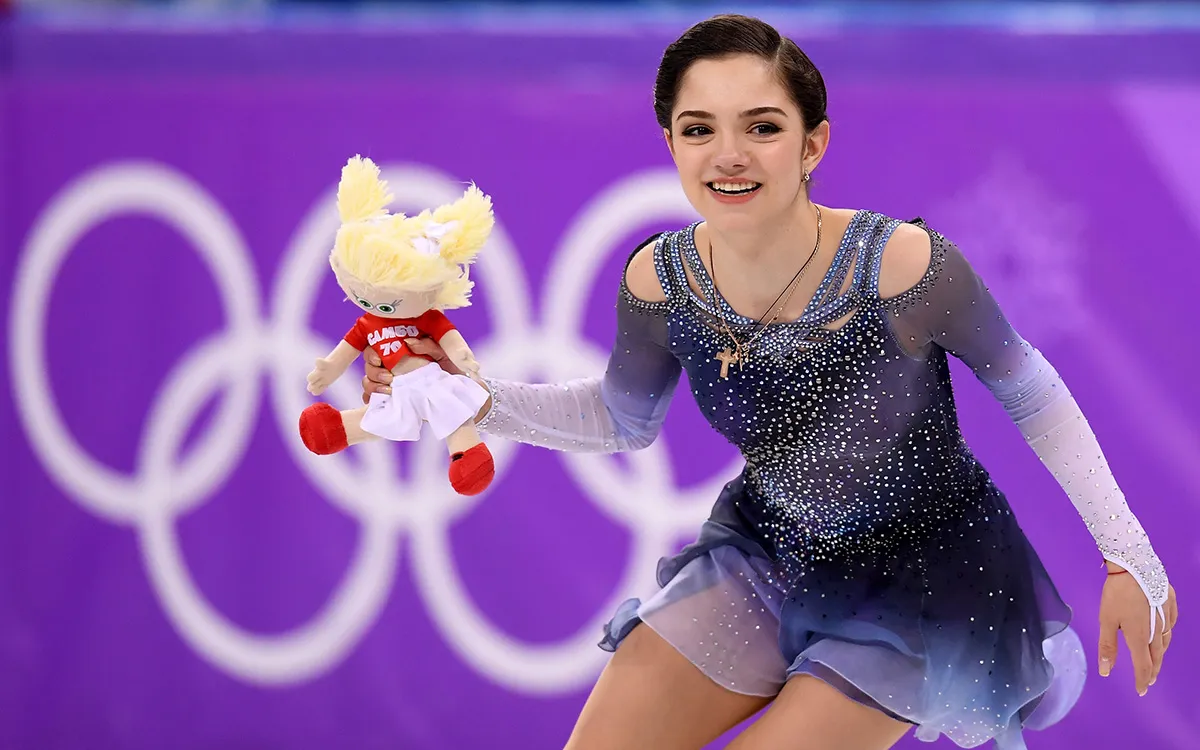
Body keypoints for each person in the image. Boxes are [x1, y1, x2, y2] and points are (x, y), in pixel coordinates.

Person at [360, 14, 1177, 750]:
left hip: (925, 583)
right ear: (671, 145)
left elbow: (1032, 393)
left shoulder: (901, 266)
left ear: (812, 144)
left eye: (762, 127)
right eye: (698, 129)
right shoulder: (660, 279)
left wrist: (1126, 554)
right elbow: (621, 418)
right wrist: (476, 397)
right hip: (768, 553)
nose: (729, 155)